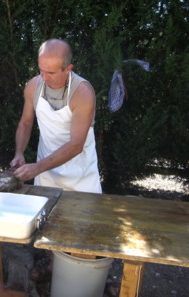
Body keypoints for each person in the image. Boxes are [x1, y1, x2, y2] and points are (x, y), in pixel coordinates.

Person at [10, 38, 116, 293]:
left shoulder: (83, 92)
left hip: (80, 170)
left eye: (51, 72)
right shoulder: (34, 86)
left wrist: (36, 168)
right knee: (48, 225)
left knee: (85, 227)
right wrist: (19, 153)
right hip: (46, 167)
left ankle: (94, 278)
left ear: (68, 69)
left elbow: (76, 144)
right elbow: (25, 123)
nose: (43, 77)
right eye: (40, 69)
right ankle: (53, 266)